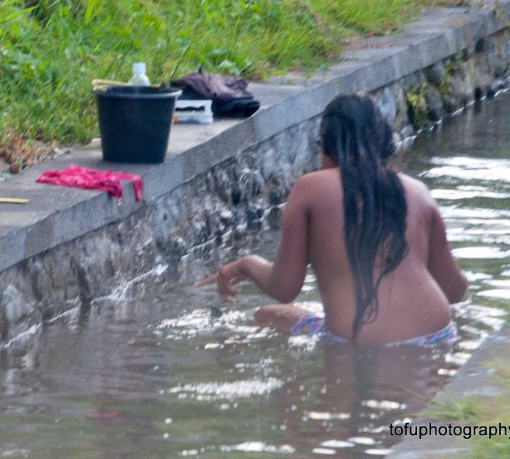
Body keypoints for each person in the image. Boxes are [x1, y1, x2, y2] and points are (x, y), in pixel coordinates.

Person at [197, 92, 468, 346]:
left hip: (359, 344)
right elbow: (455, 290)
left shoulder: (309, 188)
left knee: (266, 314)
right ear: (384, 142)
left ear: (324, 146)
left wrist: (246, 265)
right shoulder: (417, 191)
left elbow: (285, 287)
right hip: (439, 335)